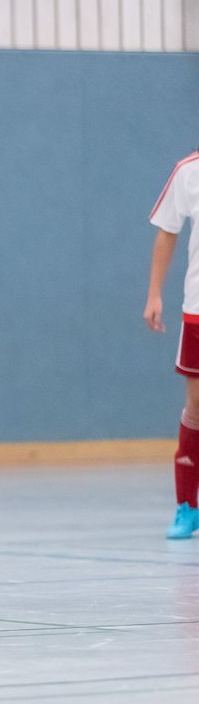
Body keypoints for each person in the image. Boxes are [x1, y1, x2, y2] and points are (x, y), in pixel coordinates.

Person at [144, 147, 199, 539]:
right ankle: (187, 506)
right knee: (196, 406)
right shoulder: (188, 171)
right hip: (198, 308)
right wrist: (154, 294)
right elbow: (167, 230)